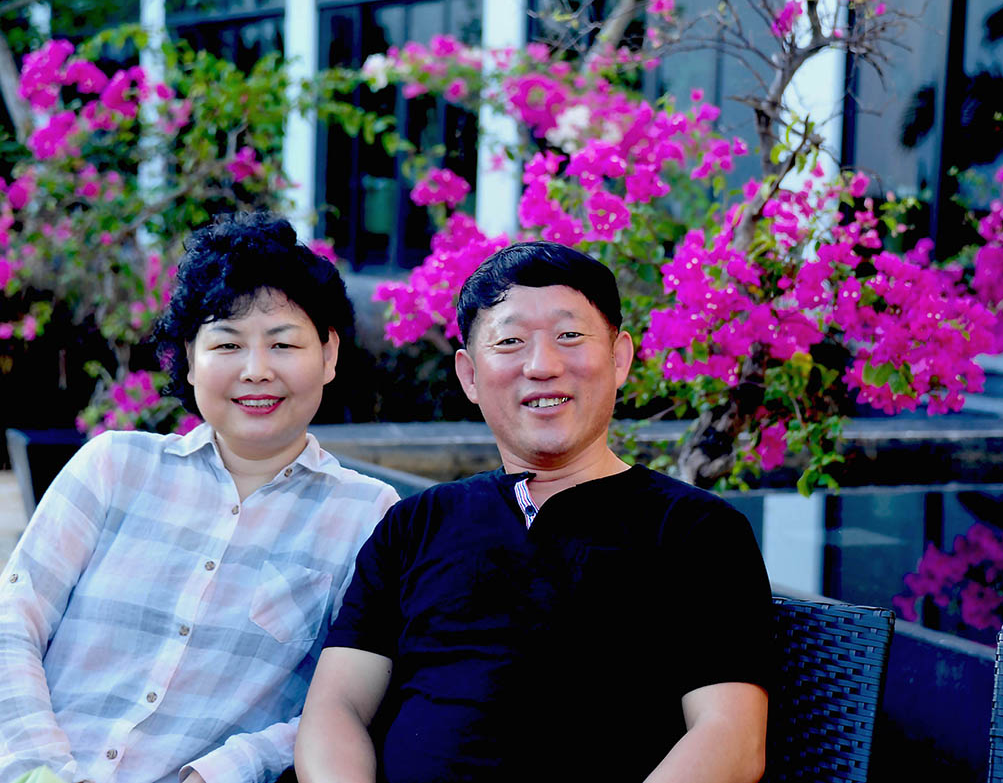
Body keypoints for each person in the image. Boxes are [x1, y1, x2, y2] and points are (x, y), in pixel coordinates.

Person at [0, 214, 399, 783]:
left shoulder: (370, 518)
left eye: (283, 343)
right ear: (189, 358)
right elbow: (6, 632)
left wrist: (216, 774)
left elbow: (343, 706)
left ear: (329, 354)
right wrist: (36, 772)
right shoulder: (113, 466)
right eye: (227, 343)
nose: (256, 370)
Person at [295, 242, 771, 783]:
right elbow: (336, 709)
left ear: (619, 358)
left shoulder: (697, 531)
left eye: (570, 336)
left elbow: (731, 737)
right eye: (510, 342)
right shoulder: (414, 526)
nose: (543, 366)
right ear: (470, 376)